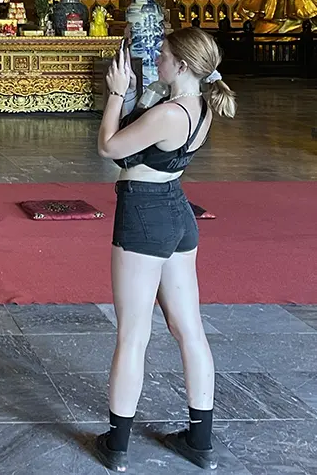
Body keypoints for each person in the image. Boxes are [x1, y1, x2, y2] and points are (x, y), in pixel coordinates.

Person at [93, 26, 237, 472]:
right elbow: (144, 147)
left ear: (183, 64)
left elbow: (109, 147)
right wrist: (139, 95)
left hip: (145, 216)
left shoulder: (172, 112)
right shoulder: (201, 104)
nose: (158, 59)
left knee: (133, 334)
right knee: (188, 328)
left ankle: (116, 446)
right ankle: (200, 440)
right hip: (177, 215)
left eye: (165, 55)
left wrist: (116, 94)